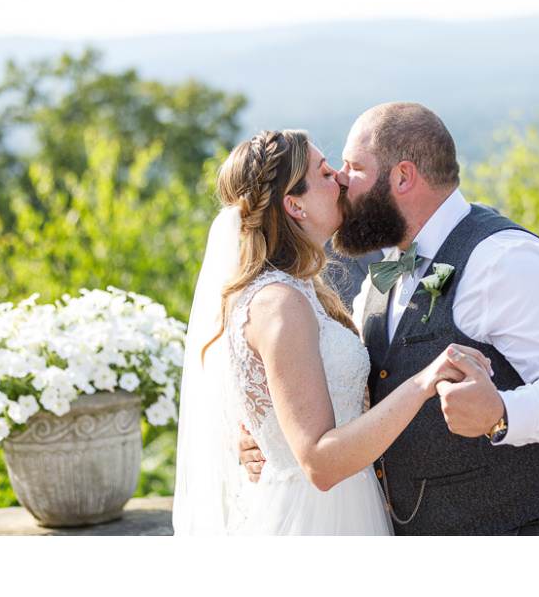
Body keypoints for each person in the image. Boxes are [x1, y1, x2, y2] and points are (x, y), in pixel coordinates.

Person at [240, 102, 539, 535]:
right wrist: (271, 431)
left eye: (353, 167)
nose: (341, 179)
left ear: (402, 177)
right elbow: (352, 385)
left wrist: (503, 413)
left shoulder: (503, 259)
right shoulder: (383, 274)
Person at [172, 128, 492, 535]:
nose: (340, 179)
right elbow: (319, 462)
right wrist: (424, 382)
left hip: (347, 504)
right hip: (314, 519)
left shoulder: (300, 289)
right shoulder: (279, 302)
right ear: (294, 204)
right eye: (325, 173)